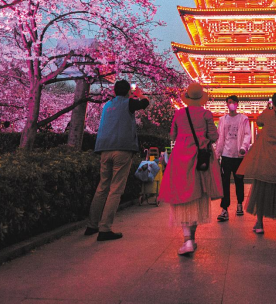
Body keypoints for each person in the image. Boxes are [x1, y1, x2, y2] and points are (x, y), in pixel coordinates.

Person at [159, 82, 223, 255]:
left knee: (182, 193)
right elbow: (214, 136)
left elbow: (172, 134)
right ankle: (192, 240)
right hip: (199, 157)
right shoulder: (206, 114)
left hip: (180, 157)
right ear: (201, 98)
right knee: (197, 195)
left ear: (187, 97)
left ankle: (187, 240)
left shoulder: (179, 114)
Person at [85, 80, 150, 241]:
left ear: (114, 91)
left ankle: (92, 225)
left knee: (102, 187)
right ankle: (105, 228)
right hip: (121, 149)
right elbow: (145, 103)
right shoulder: (129, 103)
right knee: (116, 189)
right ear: (128, 91)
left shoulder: (107, 105)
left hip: (104, 148)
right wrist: (140, 94)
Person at [237, 92, 276, 235]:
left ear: (273, 102)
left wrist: (268, 108)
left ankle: (259, 223)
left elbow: (259, 122)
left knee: (261, 189)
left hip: (266, 155)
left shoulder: (267, 114)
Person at [215, 94, 252, 221]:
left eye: (233, 102)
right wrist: (217, 154)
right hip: (226, 155)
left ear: (237, 104)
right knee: (224, 182)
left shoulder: (243, 119)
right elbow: (220, 138)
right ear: (227, 104)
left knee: (239, 181)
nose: (231, 104)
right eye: (229, 102)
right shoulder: (222, 119)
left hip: (239, 155)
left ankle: (240, 204)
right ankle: (224, 208)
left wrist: (244, 147)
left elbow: (247, 134)